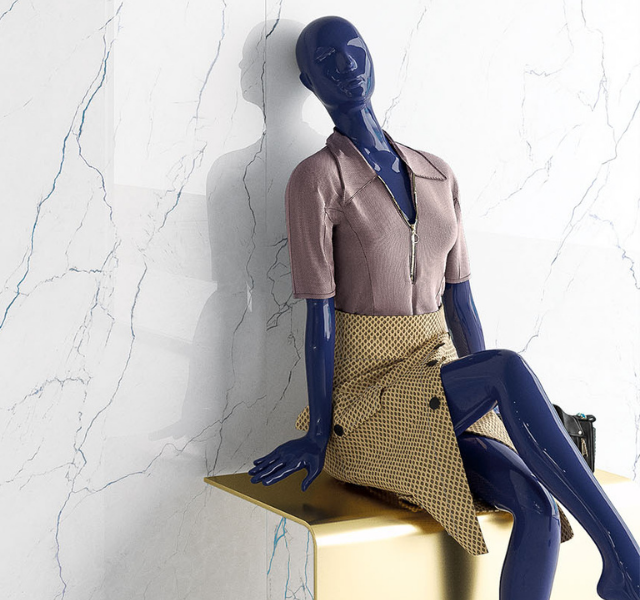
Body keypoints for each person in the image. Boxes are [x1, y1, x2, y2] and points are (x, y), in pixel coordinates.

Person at [246, 15, 640, 600]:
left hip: (442, 382)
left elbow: (462, 303)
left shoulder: (437, 174)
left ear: (373, 58)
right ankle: (626, 562)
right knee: (506, 366)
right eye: (326, 62)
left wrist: (496, 411)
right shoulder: (318, 179)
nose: (347, 66)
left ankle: (622, 570)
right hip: (369, 400)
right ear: (308, 83)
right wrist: (319, 432)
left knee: (536, 507)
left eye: (355, 50)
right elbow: (319, 318)